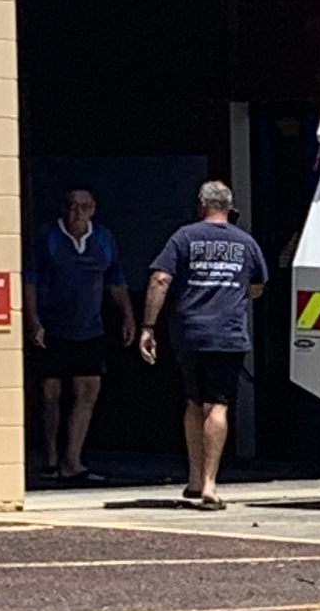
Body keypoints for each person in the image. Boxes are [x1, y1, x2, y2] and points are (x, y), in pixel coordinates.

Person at [139, 181, 267, 510]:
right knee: (218, 405)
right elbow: (256, 288)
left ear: (201, 205)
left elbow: (160, 279)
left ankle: (195, 479)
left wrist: (148, 326)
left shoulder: (184, 238)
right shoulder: (246, 242)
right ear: (229, 207)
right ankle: (211, 484)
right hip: (228, 336)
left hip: (190, 333)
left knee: (194, 402)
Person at [22, 185, 135, 484]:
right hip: (52, 326)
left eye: (84, 206)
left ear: (93, 209)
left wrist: (128, 316)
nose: (77, 212)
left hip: (89, 327)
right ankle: (50, 458)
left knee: (87, 391)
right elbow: (30, 279)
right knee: (50, 393)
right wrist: (33, 320)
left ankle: (73, 459)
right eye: (72, 206)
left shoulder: (103, 238)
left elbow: (115, 278)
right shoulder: (48, 237)